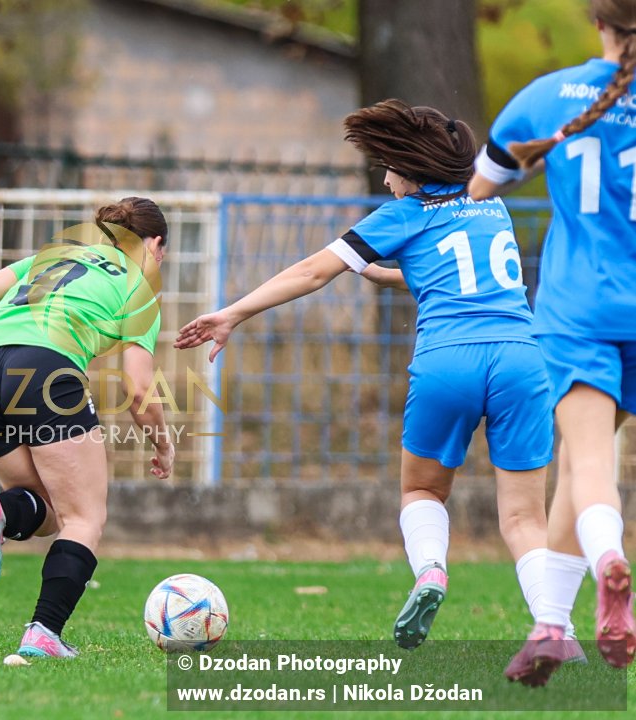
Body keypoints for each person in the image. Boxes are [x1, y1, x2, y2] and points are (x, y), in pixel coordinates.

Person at [176, 99, 578, 656]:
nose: (385, 180)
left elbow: (312, 272)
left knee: (420, 489)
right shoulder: (491, 208)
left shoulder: (403, 213)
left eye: (387, 168)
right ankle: (558, 630)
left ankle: (431, 571)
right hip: (521, 358)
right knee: (524, 515)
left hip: (448, 360)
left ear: (409, 171)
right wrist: (387, 272)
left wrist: (233, 313)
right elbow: (456, 279)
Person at [0, 197, 175, 659]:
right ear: (154, 244)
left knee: (46, 512)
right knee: (85, 518)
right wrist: (163, 442)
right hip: (46, 371)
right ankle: (44, 634)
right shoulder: (140, 286)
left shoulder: (60, 252)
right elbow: (139, 388)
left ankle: (1, 512)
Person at [469, 0, 636, 684]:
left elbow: (476, 198)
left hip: (577, 311)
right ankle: (550, 628)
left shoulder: (546, 99)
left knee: (590, 463)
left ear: (596, 20)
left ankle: (609, 564)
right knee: (577, 465)